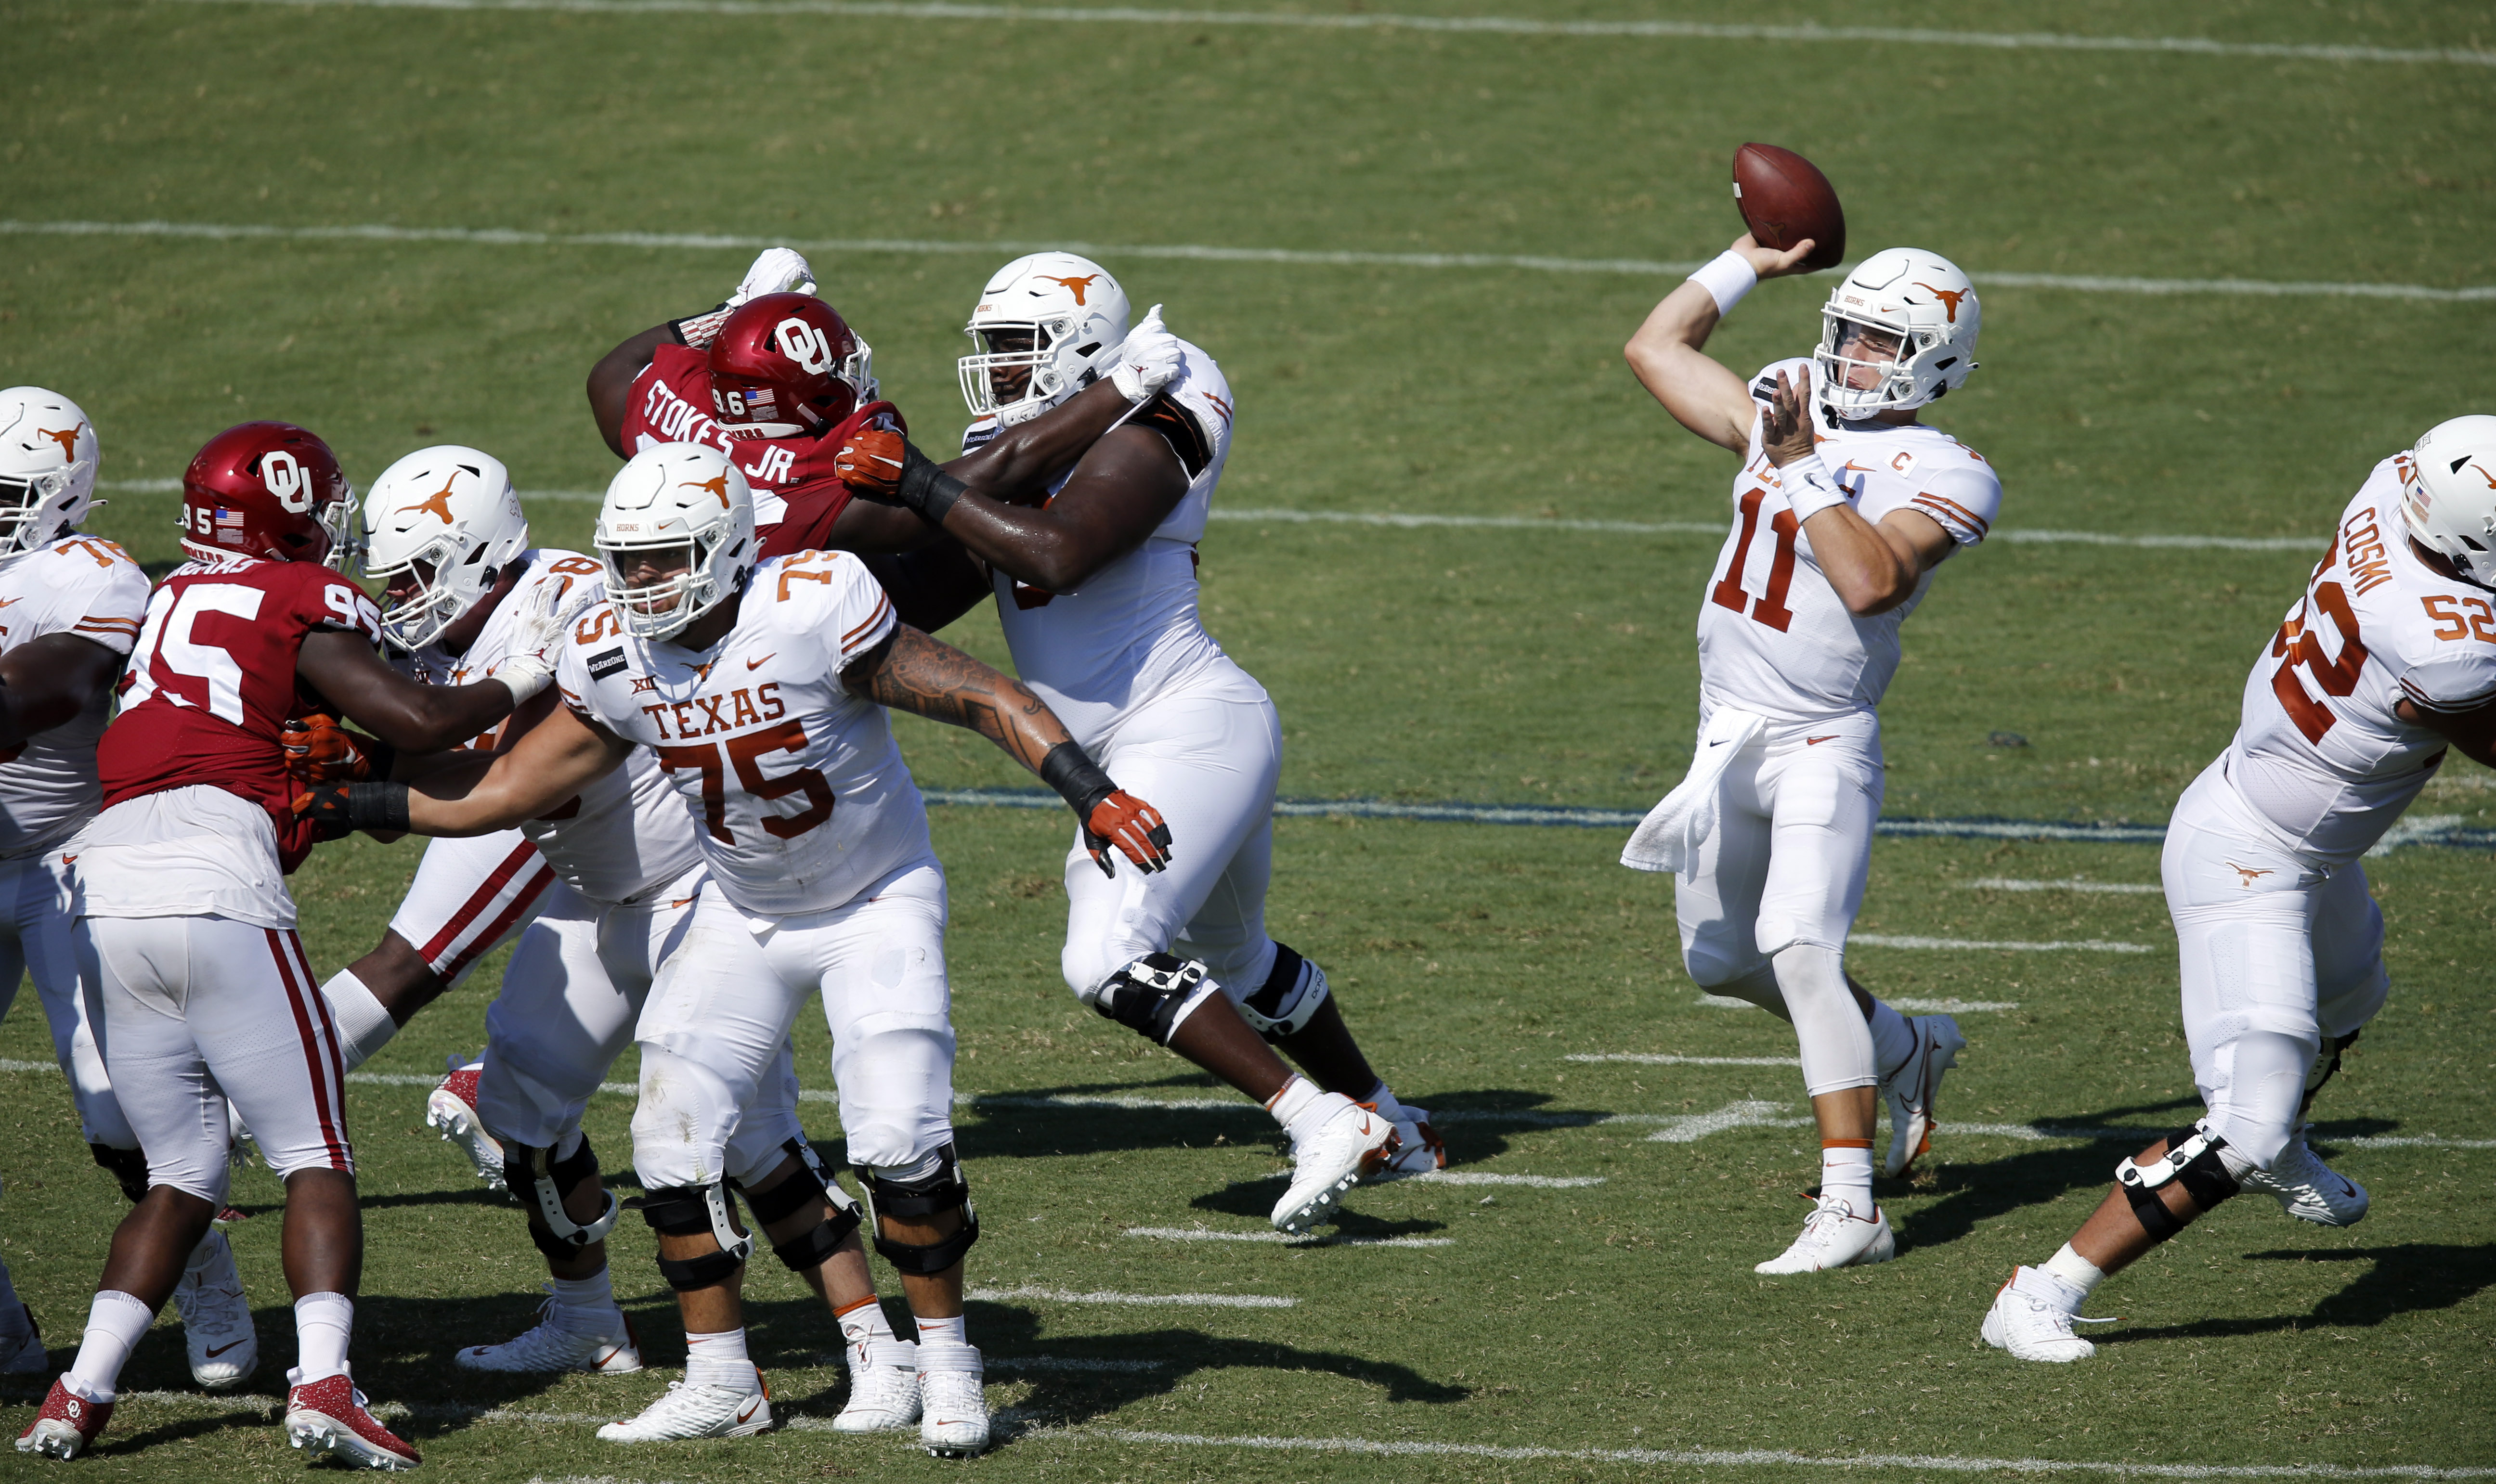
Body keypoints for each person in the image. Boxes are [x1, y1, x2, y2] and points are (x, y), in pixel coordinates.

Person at [298, 442, 1176, 1456]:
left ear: (722, 549)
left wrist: (1090, 791)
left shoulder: (808, 603)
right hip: (737, 911)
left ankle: (942, 1368)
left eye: (663, 560)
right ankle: (722, 1380)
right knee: (667, 1142)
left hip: (866, 899)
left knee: (895, 1141)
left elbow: (981, 694)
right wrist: (351, 800)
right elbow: (505, 790)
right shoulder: (613, 655)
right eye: (628, 562)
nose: (639, 585)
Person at [289, 447, 926, 1432]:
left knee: (751, 1139)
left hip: (695, 894)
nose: (403, 599)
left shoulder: (580, 599)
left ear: (479, 554)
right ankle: (588, 1318)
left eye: (419, 575)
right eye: (395, 580)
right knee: (515, 1114)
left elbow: (513, 763)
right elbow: (420, 796)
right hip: (587, 898)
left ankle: (877, 1348)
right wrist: (359, 766)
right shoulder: (424, 654)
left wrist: (387, 749)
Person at [831, 253, 1446, 1236]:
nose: (993, 370)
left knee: (1108, 953)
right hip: (1156, 742)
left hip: (1186, 727)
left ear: (1086, 344)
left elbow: (1062, 552)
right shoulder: (1017, 432)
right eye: (987, 348)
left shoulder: (1165, 396)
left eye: (1016, 346)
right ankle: (1390, 1121)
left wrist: (918, 481)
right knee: (1236, 958)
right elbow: (949, 582)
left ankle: (1315, 1116)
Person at [15, 421, 567, 1467]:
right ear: (289, 508)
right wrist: (519, 682)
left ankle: (75, 1397)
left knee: (182, 1168)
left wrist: (318, 764)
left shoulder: (169, 591)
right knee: (315, 1151)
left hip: (101, 882)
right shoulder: (297, 595)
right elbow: (415, 715)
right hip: (215, 880)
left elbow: (249, 729)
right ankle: (324, 1384)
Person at [1982, 415, 2496, 1362]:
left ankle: (2280, 1145)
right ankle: (2040, 1292)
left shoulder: (2393, 490)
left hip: (2296, 834)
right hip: (2248, 857)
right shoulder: (2447, 648)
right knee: (2246, 1123)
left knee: (2350, 1001)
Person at [1620, 236, 2001, 1273]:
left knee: (1799, 948)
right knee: (1722, 962)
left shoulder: (1948, 468)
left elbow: (1874, 581)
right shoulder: (1792, 395)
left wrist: (1798, 472)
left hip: (1821, 738)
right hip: (1724, 730)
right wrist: (1748, 258)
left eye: (1882, 341)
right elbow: (1657, 347)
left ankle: (1853, 1204)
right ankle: (1906, 1046)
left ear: (1936, 360)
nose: (1851, 353)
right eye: (1850, 329)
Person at [0, 388, 250, 1385]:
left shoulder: (88, 572)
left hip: (65, 859)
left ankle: (206, 1271)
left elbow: (46, 691)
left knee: (116, 1108)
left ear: (61, 496)